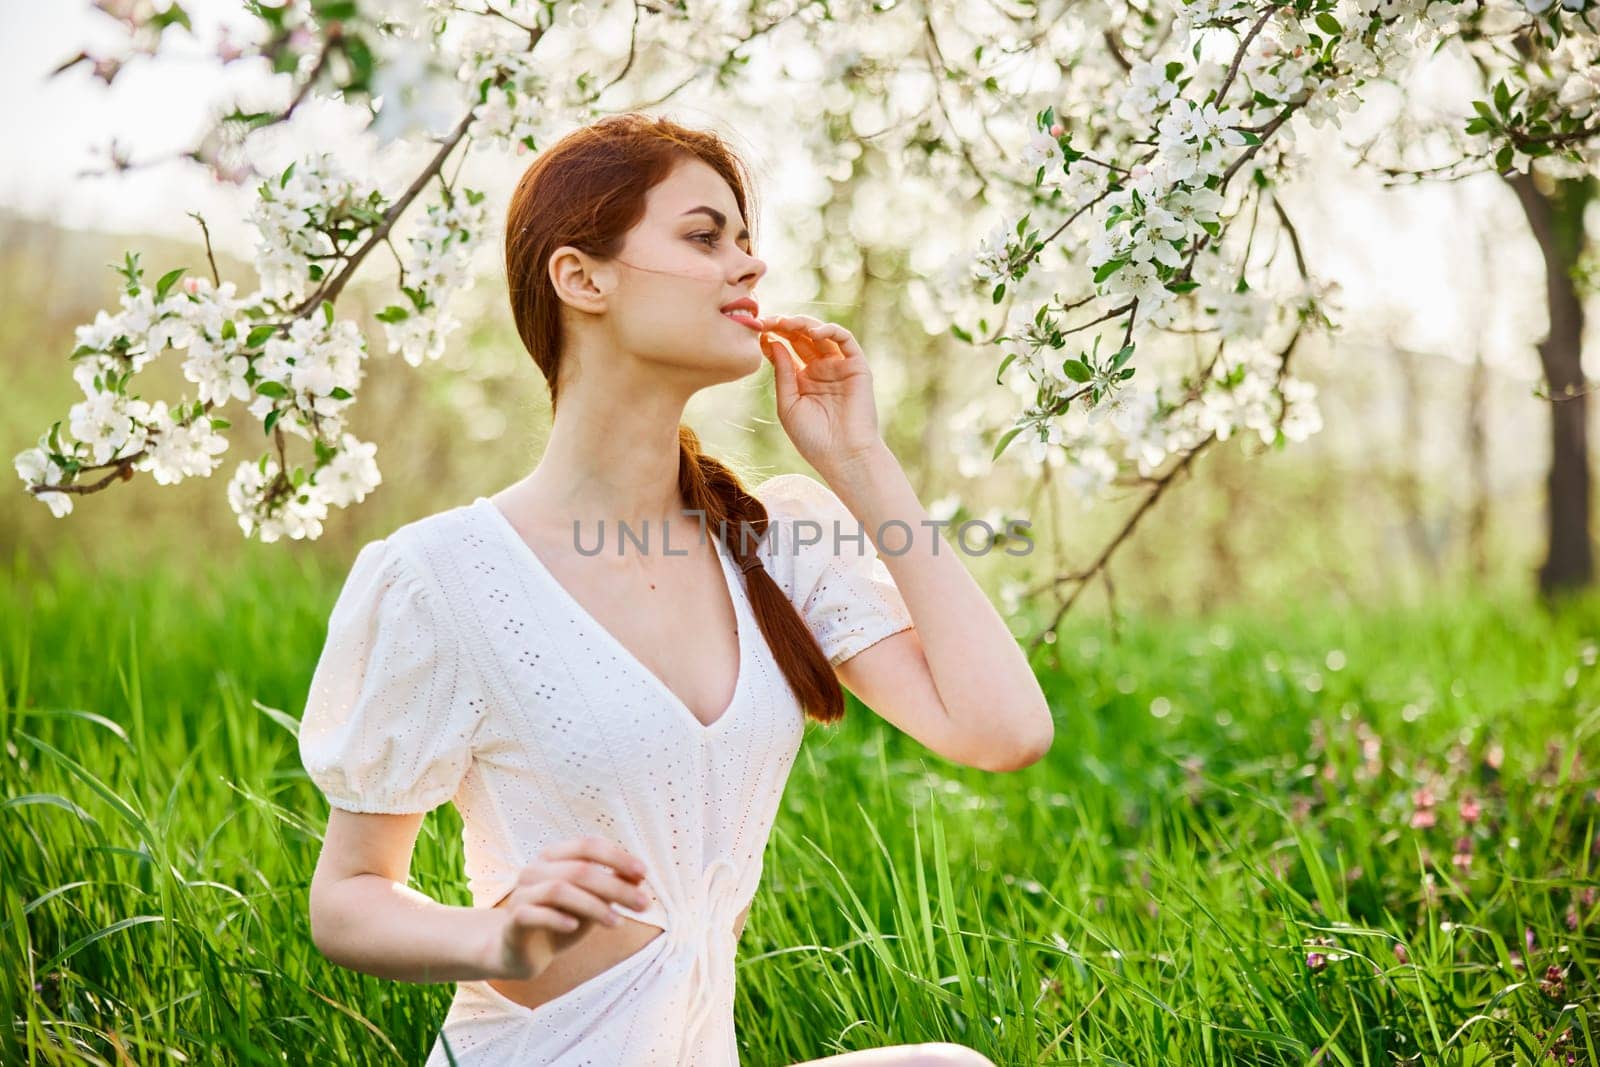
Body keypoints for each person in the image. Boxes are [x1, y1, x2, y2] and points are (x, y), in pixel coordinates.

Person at [297, 111, 1052, 1065]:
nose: (748, 267)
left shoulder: (779, 540)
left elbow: (1004, 732)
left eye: (746, 240)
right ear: (582, 277)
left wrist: (861, 461)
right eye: (704, 237)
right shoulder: (441, 576)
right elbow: (351, 897)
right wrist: (494, 939)